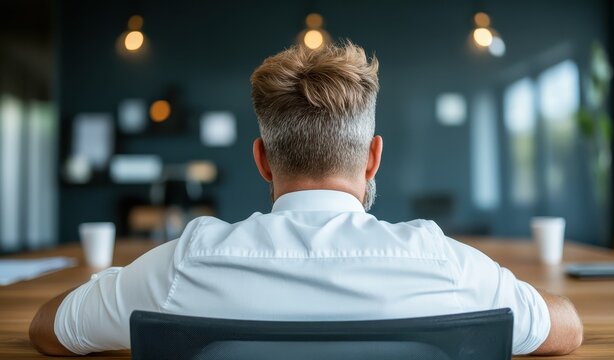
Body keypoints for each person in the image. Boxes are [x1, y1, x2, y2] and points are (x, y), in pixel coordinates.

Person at [29, 41, 583, 356]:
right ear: (373, 158)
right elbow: (566, 329)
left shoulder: (185, 262)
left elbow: (49, 329)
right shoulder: (442, 262)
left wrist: (112, 284)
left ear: (262, 160)